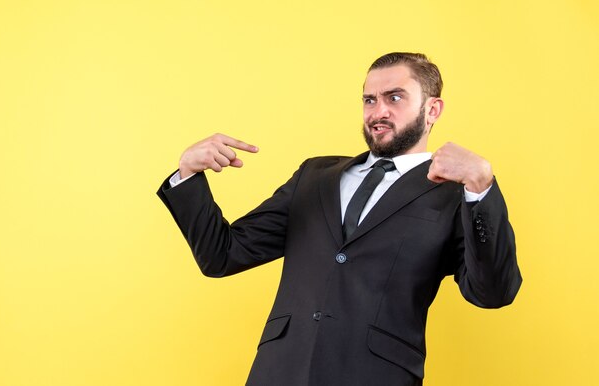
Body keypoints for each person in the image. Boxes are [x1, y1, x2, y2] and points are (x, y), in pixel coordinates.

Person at [157, 52, 522, 386]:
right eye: (369, 99)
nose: (378, 111)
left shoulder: (456, 194)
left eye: (394, 98)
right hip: (281, 371)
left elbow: (491, 293)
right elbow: (223, 256)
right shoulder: (315, 176)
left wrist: (480, 187)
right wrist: (188, 175)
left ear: (432, 109)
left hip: (377, 375)